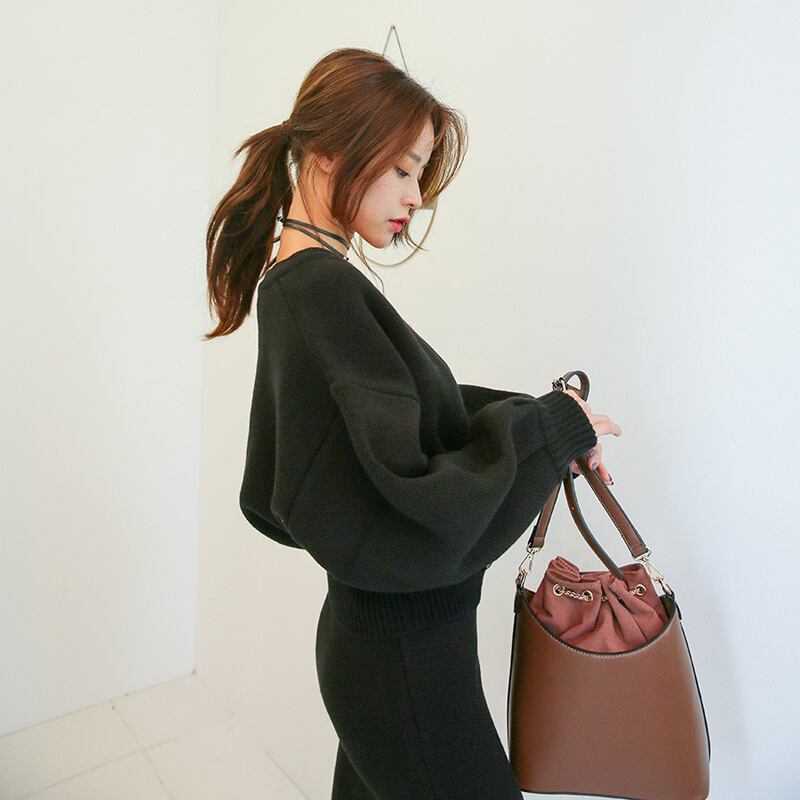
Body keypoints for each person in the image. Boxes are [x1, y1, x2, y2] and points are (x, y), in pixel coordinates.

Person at [204, 47, 621, 800]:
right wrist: (548, 432)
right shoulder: (318, 290)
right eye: (402, 169)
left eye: (419, 173)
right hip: (402, 660)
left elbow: (409, 416)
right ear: (329, 154)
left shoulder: (307, 282)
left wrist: (550, 428)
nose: (415, 197)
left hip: (384, 649)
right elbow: (415, 489)